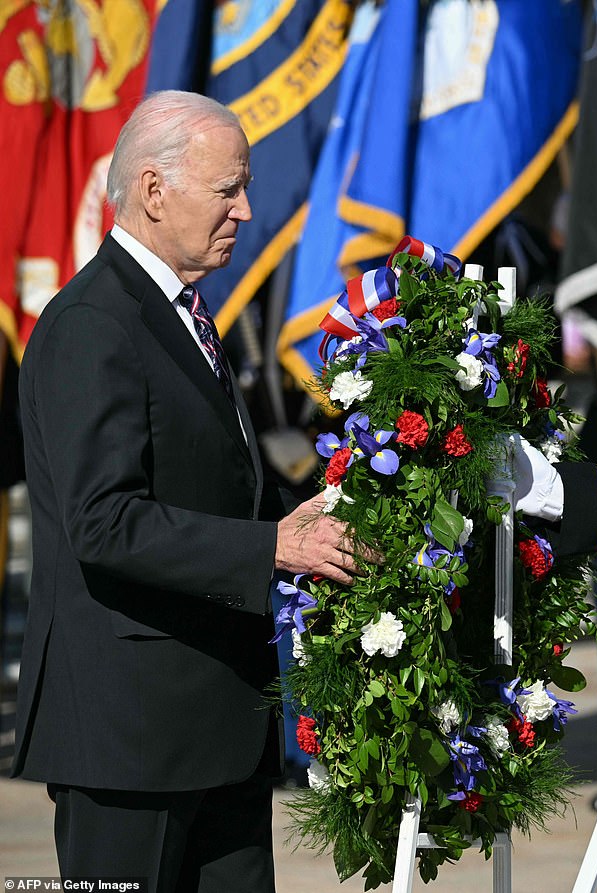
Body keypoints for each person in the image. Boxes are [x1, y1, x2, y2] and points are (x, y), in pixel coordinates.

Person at [11, 90, 379, 893]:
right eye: (229, 190)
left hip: (219, 727)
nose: (247, 209)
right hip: (129, 742)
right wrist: (269, 546)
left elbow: (200, 488)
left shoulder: (181, 314)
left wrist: (295, 524)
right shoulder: (93, 323)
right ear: (153, 191)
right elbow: (103, 522)